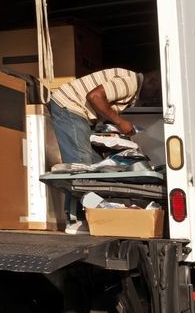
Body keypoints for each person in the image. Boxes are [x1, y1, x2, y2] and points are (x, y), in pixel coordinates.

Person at [48, 68, 157, 230]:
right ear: (153, 82)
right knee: (82, 166)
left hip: (78, 112)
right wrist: (120, 122)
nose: (153, 99)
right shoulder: (131, 82)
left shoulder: (132, 87)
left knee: (99, 167)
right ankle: (75, 221)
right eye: (155, 94)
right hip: (69, 106)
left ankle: (95, 217)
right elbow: (94, 96)